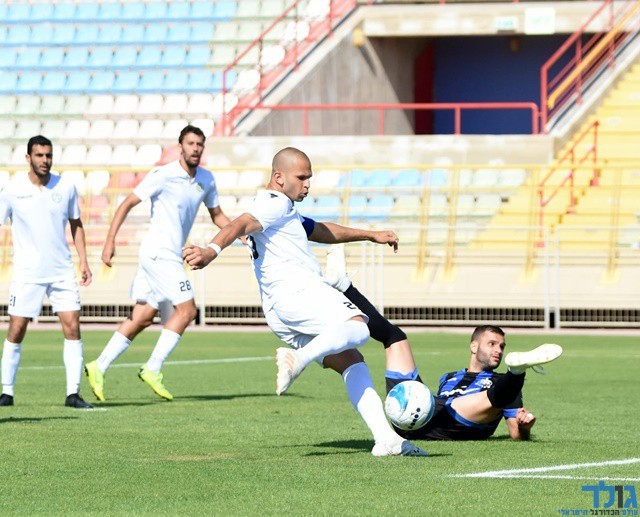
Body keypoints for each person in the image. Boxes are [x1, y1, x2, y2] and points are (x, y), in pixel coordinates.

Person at [183, 147, 427, 456]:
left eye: (309, 178)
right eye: (301, 177)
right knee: (359, 328)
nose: (308, 184)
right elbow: (240, 224)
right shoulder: (272, 203)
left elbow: (319, 230)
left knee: (352, 361)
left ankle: (386, 439)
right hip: (299, 293)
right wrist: (211, 250)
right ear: (279, 177)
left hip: (279, 310)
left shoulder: (284, 208)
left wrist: (369, 235)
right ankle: (298, 360)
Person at [84, 125, 233, 402]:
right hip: (158, 253)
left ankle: (98, 365)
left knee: (142, 316)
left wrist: (240, 234)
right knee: (187, 311)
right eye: (190, 143)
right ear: (180, 147)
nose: (195, 148)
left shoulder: (206, 179)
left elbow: (217, 215)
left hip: (167, 255)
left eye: (199, 144)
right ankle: (152, 368)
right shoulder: (163, 174)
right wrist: (109, 241)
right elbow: (126, 204)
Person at [0, 135, 93, 408]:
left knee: (72, 326)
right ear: (28, 158)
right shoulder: (12, 189)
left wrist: (84, 260)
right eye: (39, 155)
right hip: (27, 272)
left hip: (61, 270)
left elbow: (76, 224)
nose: (45, 160)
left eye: (48, 155)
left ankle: (73, 394)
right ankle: (7, 392)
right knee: (17, 328)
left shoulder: (66, 186)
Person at [401, 325, 562, 441]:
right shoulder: (448, 377)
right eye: (492, 344)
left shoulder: (503, 384)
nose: (498, 350)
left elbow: (515, 433)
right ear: (474, 346)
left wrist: (525, 428)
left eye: (502, 346)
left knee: (504, 387)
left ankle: (516, 372)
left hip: (466, 424)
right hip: (432, 421)